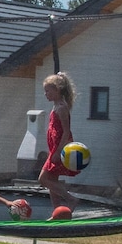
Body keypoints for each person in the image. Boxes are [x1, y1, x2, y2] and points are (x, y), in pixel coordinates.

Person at [38, 72, 78, 216]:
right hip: (54, 148)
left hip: (59, 149)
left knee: (43, 179)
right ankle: (57, 212)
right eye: (45, 91)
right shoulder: (56, 106)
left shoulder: (61, 108)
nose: (46, 94)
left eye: (48, 91)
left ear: (58, 90)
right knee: (52, 181)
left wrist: (58, 152)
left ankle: (71, 199)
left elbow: (66, 132)